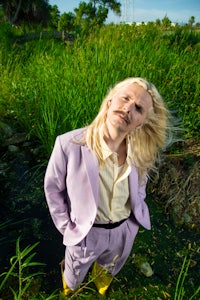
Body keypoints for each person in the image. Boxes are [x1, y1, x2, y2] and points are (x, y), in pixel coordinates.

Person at [44, 77, 170, 296]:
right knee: (74, 272)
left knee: (110, 266)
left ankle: (101, 282)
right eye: (126, 98)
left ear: (141, 121)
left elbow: (140, 185)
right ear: (110, 100)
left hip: (124, 230)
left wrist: (134, 219)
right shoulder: (68, 144)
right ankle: (70, 290)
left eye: (138, 108)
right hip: (85, 233)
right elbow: (53, 189)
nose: (129, 107)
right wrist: (67, 228)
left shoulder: (141, 151)